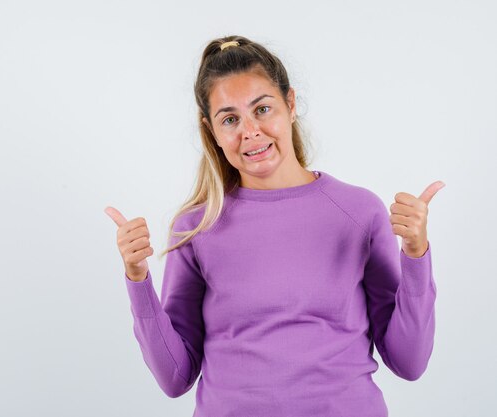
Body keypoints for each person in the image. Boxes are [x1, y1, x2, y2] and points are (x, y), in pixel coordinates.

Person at [104, 35, 445, 417]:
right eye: (230, 119)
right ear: (211, 131)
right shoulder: (196, 228)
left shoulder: (358, 212)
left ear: (291, 104)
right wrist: (137, 278)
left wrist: (416, 254)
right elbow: (174, 378)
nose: (250, 131)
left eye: (262, 109)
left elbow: (410, 362)